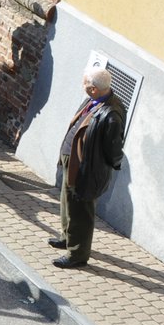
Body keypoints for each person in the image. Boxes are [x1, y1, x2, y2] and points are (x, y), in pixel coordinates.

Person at [49, 66, 125, 269]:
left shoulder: (111, 114)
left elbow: (114, 148)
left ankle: (77, 255)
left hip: (86, 168)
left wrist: (106, 167)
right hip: (71, 159)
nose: (83, 87)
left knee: (81, 210)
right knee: (67, 201)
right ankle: (66, 237)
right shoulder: (93, 100)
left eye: (85, 85)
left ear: (93, 89)